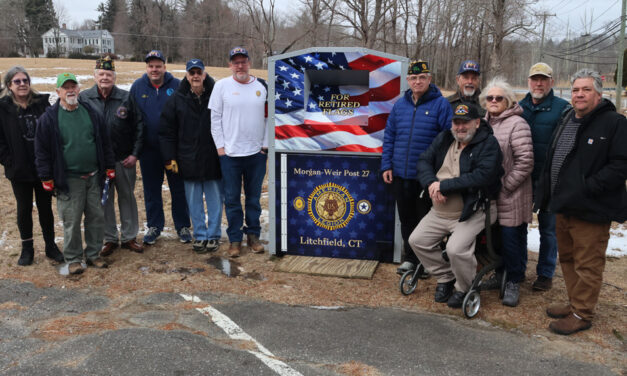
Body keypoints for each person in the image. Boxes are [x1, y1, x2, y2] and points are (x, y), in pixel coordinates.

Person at [536, 68, 627, 335]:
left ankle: (582, 313)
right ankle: (575, 302)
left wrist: (588, 187)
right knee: (568, 258)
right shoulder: (568, 117)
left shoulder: (614, 123)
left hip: (591, 208)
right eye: (575, 90)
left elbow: (621, 165)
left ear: (598, 94)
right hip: (563, 204)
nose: (579, 94)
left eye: (586, 90)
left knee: (588, 263)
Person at [409, 103, 502, 308]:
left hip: (472, 211)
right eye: (456, 122)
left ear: (477, 122)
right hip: (439, 212)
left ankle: (465, 288)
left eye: (465, 122)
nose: (460, 127)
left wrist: (444, 186)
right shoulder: (444, 138)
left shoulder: (489, 143)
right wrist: (432, 184)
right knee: (417, 241)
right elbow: (423, 161)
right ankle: (445, 277)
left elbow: (482, 176)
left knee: (456, 249)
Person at [35, 73, 116, 274]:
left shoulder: (91, 112)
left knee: (96, 218)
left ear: (79, 89)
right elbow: (41, 151)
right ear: (58, 92)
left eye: (73, 86)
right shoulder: (49, 119)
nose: (70, 90)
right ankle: (72, 259)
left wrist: (109, 166)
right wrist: (46, 177)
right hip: (68, 180)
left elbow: (104, 141)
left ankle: (93, 254)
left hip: (94, 176)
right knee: (71, 221)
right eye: (66, 87)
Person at [381, 60, 453, 274]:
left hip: (426, 177)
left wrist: (439, 174)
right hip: (401, 175)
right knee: (407, 219)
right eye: (413, 78)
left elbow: (448, 141)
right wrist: (386, 165)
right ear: (408, 80)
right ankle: (411, 259)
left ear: (429, 79)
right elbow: (390, 137)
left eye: (422, 78)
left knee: (426, 222)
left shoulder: (440, 105)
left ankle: (428, 261)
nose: (418, 81)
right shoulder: (399, 105)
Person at [79, 56, 144, 255]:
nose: (105, 77)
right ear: (95, 75)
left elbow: (140, 126)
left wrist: (134, 154)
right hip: (99, 162)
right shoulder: (85, 98)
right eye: (101, 74)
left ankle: (129, 237)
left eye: (109, 74)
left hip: (124, 160)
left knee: (127, 197)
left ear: (114, 77)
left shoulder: (126, 97)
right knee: (104, 200)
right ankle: (109, 238)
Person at [0, 66, 64, 265]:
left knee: (46, 207)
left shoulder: (42, 104)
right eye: (17, 81)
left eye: (25, 80)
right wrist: (8, 160)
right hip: (18, 168)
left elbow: (54, 131)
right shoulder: (3, 108)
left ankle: (50, 246)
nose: (22, 84)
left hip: (42, 166)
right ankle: (27, 248)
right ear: (9, 86)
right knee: (24, 207)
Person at [209, 46, 267, 258]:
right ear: (230, 65)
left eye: (243, 61)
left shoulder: (262, 86)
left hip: (256, 154)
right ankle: (235, 239)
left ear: (249, 63)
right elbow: (215, 119)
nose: (240, 65)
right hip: (230, 155)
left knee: (253, 199)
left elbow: (269, 118)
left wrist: (264, 146)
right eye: (236, 62)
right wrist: (221, 148)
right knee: (232, 199)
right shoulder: (221, 86)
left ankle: (253, 236)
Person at [481, 77, 534, 307]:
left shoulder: (517, 124)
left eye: (499, 98)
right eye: (490, 97)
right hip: (489, 195)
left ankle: (513, 280)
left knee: (513, 239)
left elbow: (526, 161)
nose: (494, 101)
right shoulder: (483, 123)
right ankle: (499, 275)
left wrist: (504, 186)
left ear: (508, 101)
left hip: (511, 194)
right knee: (496, 240)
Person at [160, 59, 222, 253]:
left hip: (213, 157)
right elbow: (166, 131)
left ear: (204, 74)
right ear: (186, 75)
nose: (195, 76)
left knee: (214, 200)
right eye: (191, 73)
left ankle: (213, 235)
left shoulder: (216, 95)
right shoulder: (177, 98)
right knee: (193, 201)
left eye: (198, 72)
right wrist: (170, 158)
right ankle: (200, 235)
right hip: (188, 158)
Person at [130, 50, 191, 245]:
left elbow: (186, 115)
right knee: (151, 189)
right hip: (149, 150)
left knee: (178, 189)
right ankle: (154, 226)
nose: (154, 69)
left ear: (165, 66)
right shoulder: (138, 87)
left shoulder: (178, 85)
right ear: (146, 67)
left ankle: (182, 226)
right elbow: (132, 118)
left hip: (173, 151)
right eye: (151, 66)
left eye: (158, 66)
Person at [519, 62, 570, 291]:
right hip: (523, 178)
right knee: (517, 226)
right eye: (534, 79)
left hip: (550, 180)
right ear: (529, 81)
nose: (538, 83)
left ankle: (545, 273)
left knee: (549, 229)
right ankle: (516, 268)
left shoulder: (563, 109)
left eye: (543, 79)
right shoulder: (519, 106)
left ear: (551, 81)